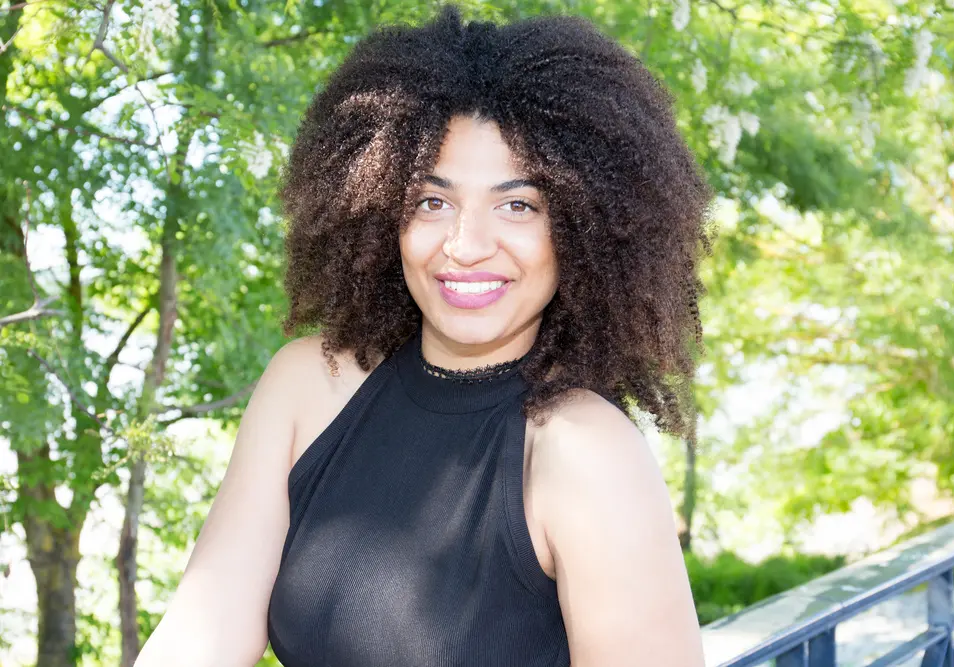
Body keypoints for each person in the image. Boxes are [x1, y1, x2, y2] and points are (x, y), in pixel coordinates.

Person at [136, 5, 715, 667]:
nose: (464, 246)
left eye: (518, 204)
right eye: (431, 201)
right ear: (383, 211)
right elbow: (199, 636)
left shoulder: (587, 452)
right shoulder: (306, 384)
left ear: (582, 230)